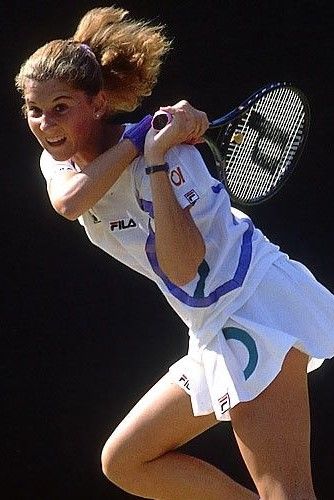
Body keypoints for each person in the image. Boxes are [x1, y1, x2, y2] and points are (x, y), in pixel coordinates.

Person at [15, 6, 334, 500]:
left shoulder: (173, 155)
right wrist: (139, 140)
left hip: (255, 310)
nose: (45, 123)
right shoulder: (59, 164)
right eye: (34, 109)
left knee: (288, 494)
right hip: (210, 326)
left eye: (61, 107)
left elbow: (185, 266)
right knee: (126, 461)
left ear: (98, 104)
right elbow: (70, 203)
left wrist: (156, 159)